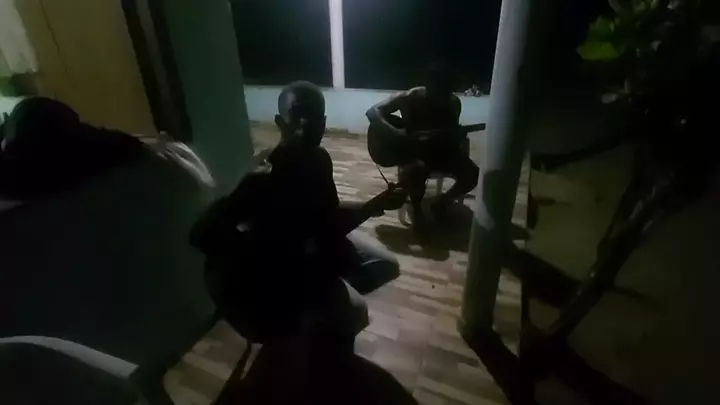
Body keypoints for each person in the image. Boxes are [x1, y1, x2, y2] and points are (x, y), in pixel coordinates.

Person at [191, 81, 405, 353]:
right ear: (281, 122)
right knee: (354, 313)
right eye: (298, 114)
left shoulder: (319, 159)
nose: (306, 123)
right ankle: (306, 329)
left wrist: (375, 205)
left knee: (384, 265)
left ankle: (320, 310)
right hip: (276, 274)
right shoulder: (263, 176)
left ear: (324, 123)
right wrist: (261, 253)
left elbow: (327, 217)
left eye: (314, 116)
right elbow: (201, 234)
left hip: (308, 253)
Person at [366, 65, 480, 231]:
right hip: (415, 153)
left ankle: (442, 202)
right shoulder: (409, 97)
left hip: (440, 150)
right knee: (416, 169)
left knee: (472, 174)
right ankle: (417, 209)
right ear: (428, 85)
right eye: (438, 89)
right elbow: (372, 112)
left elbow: (448, 136)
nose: (441, 94)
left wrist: (457, 136)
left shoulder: (454, 103)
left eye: (446, 90)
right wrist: (395, 133)